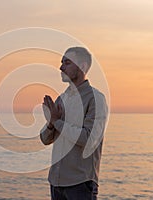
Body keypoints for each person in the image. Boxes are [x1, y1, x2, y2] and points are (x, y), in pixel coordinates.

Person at [40, 47, 108, 200]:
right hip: (56, 182)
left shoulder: (95, 99)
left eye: (67, 62)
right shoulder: (62, 99)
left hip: (80, 183)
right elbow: (44, 139)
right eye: (61, 62)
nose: (61, 67)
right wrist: (51, 124)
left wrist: (57, 122)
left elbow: (88, 139)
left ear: (82, 67)